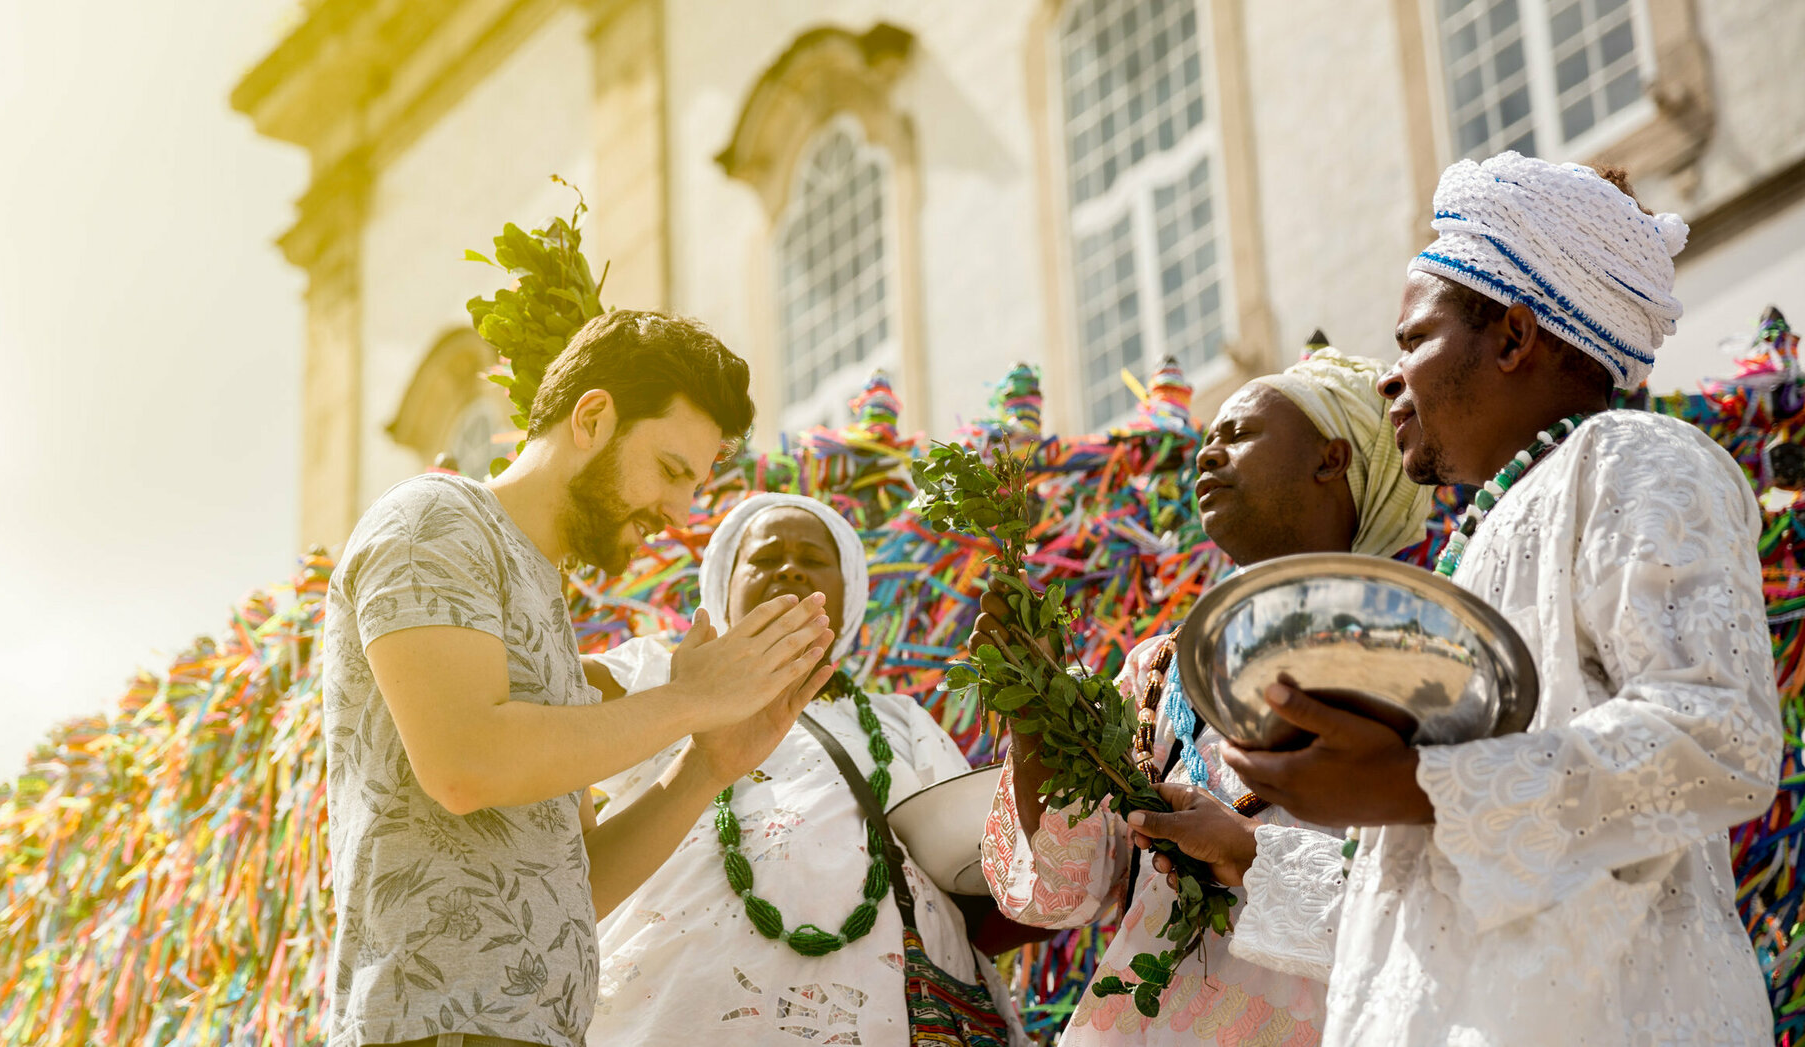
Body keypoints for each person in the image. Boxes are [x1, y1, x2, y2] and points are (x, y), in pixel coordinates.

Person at [1161, 154, 1779, 1045]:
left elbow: (1720, 732)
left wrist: (1418, 783)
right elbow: (1427, 900)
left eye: (1411, 340)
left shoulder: (1634, 460)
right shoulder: (1476, 546)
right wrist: (1248, 851)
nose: (1387, 376)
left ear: (1514, 338)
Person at [320, 311, 837, 1047]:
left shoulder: (550, 608)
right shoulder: (435, 519)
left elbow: (575, 883)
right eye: (670, 470)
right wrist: (691, 698)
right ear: (593, 417)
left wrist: (707, 764)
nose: (680, 511)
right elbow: (466, 762)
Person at [977, 347, 1435, 1044]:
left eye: (1239, 434)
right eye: (1207, 439)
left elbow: (1441, 900)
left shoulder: (1418, 655)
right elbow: (1060, 890)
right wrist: (1034, 711)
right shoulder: (1160, 666)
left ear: (1331, 459)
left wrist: (1250, 854)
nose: (1207, 455)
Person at [581, 492, 1029, 1046]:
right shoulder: (662, 673)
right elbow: (544, 681)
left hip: (896, 1013)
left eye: (812, 560)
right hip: (683, 1010)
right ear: (725, 587)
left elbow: (981, 854)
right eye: (765, 559)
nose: (788, 568)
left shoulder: (899, 720)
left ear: (847, 594)